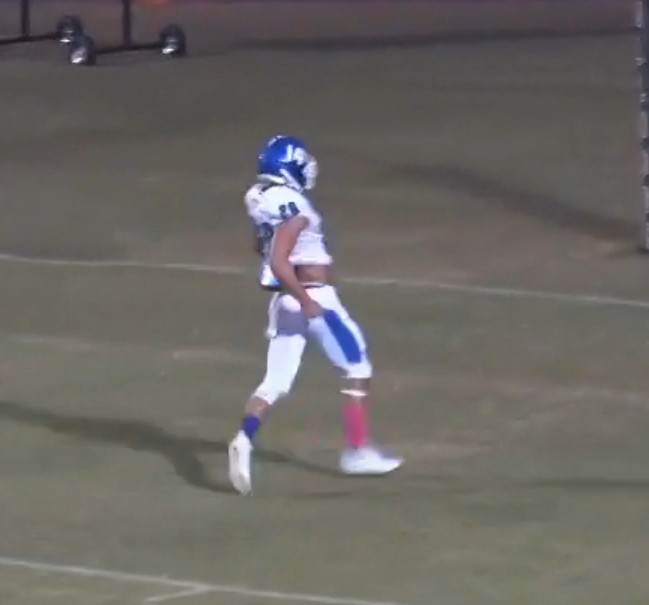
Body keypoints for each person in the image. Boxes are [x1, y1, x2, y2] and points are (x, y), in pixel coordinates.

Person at [228, 135, 402, 495]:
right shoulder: (294, 206)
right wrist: (306, 300)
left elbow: (261, 246)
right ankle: (357, 452)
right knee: (357, 367)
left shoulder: (259, 197)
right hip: (313, 297)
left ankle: (244, 438)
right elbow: (279, 261)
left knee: (275, 383)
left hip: (284, 301)